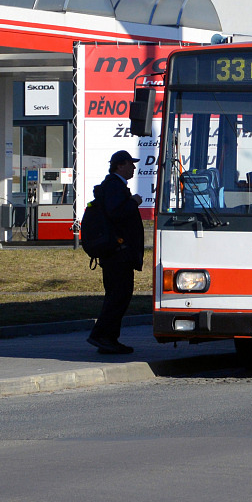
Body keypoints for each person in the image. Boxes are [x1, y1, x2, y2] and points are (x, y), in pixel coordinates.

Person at [87, 150, 145, 355]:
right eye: (130, 164)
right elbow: (116, 213)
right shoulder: (114, 186)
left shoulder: (114, 185)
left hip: (116, 253)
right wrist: (133, 202)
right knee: (118, 296)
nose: (134, 168)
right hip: (118, 254)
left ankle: (109, 339)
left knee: (117, 296)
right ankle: (101, 335)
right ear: (119, 165)